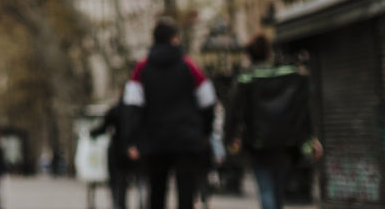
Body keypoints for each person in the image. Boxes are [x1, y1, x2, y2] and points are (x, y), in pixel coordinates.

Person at [124, 19, 217, 209]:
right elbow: (208, 101)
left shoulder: (141, 69)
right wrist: (204, 132)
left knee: (157, 191)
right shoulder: (189, 66)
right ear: (174, 39)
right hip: (186, 137)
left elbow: (132, 107)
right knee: (186, 192)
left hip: (154, 139)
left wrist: (133, 139)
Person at [223, 35, 323, 209]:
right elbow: (303, 107)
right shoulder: (290, 75)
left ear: (249, 56)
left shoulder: (247, 79)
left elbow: (234, 112)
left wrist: (229, 138)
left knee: (266, 189)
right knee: (277, 188)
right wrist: (310, 137)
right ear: (269, 53)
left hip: (258, 144)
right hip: (286, 142)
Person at [91, 95, 133, 209]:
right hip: (131, 149)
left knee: (115, 178)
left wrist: (92, 133)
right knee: (124, 179)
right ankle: (122, 202)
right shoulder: (134, 110)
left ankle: (117, 202)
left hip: (117, 149)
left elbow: (103, 127)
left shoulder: (115, 110)